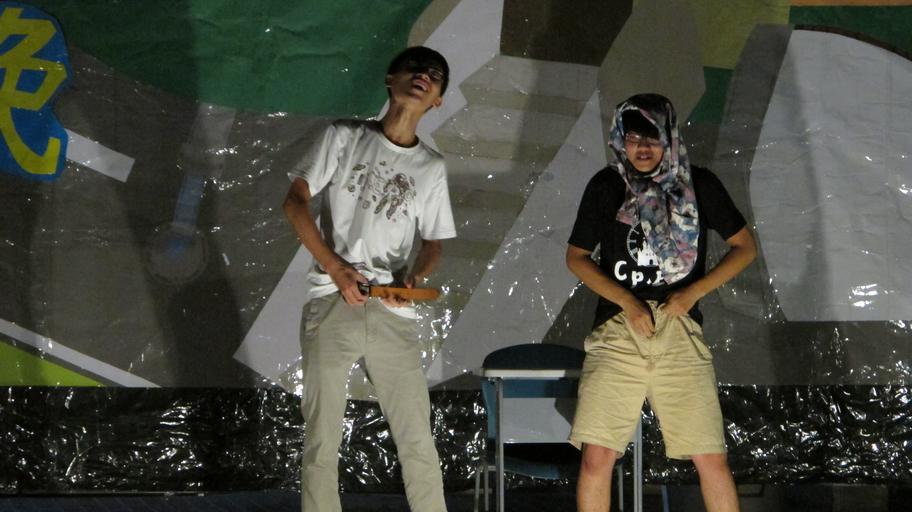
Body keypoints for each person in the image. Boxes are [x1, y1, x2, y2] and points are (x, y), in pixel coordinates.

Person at [283, 46, 456, 512]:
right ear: (390, 79)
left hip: (391, 308)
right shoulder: (344, 137)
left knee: (416, 436)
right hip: (332, 299)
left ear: (438, 99)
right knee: (322, 436)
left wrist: (415, 276)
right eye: (414, 68)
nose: (423, 76)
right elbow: (294, 202)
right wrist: (336, 268)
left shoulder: (431, 167)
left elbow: (434, 242)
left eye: (434, 75)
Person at [566, 93, 756, 512]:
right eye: (634, 138)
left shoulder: (698, 184)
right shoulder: (607, 185)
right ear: (621, 140)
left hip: (678, 327)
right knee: (597, 456)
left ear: (669, 138)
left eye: (652, 138)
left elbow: (745, 247)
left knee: (710, 456)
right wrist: (628, 303)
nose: (643, 147)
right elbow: (576, 257)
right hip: (619, 327)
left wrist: (692, 292)